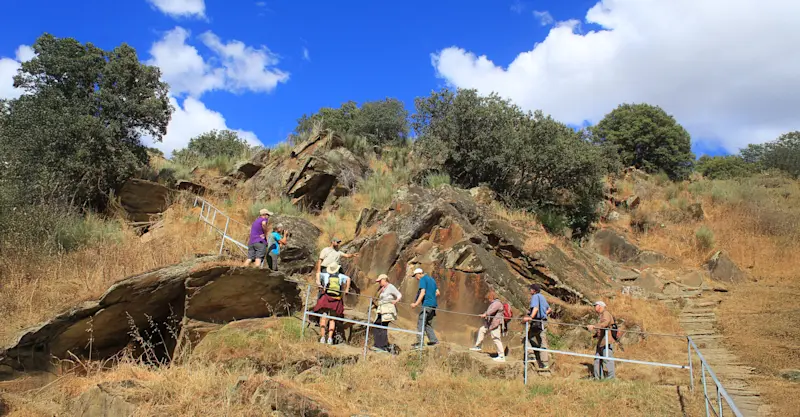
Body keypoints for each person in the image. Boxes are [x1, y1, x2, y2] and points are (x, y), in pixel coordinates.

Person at [313, 262, 350, 344]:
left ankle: (322, 337)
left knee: (323, 317)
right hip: (336, 299)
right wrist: (347, 289)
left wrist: (319, 283)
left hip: (326, 298)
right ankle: (330, 338)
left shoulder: (326, 275)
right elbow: (348, 279)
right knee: (332, 319)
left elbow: (317, 274)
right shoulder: (340, 276)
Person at [469, 290, 506, 362]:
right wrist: (484, 314)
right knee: (482, 330)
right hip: (490, 323)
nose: (488, 299)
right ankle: (478, 346)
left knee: (496, 338)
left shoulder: (497, 303)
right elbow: (489, 311)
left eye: (489, 298)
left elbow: (491, 311)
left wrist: (485, 314)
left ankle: (501, 356)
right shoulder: (493, 303)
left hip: (495, 324)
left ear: (492, 297)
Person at [523, 284, 552, 369]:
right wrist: (544, 314)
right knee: (542, 341)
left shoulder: (535, 297)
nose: (530, 291)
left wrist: (530, 317)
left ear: (534, 290)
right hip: (543, 321)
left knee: (526, 338)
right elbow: (549, 309)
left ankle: (531, 355)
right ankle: (545, 363)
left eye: (530, 289)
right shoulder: (542, 297)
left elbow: (535, 308)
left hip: (537, 322)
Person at [371, 274, 402, 353]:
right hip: (382, 310)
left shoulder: (391, 287)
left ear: (384, 280)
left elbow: (399, 295)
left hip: (387, 310)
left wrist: (395, 301)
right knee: (376, 325)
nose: (379, 283)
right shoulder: (383, 288)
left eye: (380, 281)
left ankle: (382, 346)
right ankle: (378, 345)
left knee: (383, 326)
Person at [410, 268, 439, 347]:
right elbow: (438, 292)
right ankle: (434, 341)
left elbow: (422, 292)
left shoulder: (422, 279)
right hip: (433, 305)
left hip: (426, 305)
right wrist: (431, 297)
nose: (416, 278)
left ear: (419, 274)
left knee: (421, 323)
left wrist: (416, 304)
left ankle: (420, 343)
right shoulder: (432, 280)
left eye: (415, 275)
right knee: (427, 324)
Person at [588, 300, 615, 379]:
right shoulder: (601, 315)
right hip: (601, 342)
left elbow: (605, 323)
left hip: (606, 341)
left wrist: (594, 326)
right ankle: (598, 378)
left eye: (595, 305)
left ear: (599, 306)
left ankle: (611, 378)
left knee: (608, 360)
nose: (594, 307)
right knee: (597, 360)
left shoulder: (605, 313)